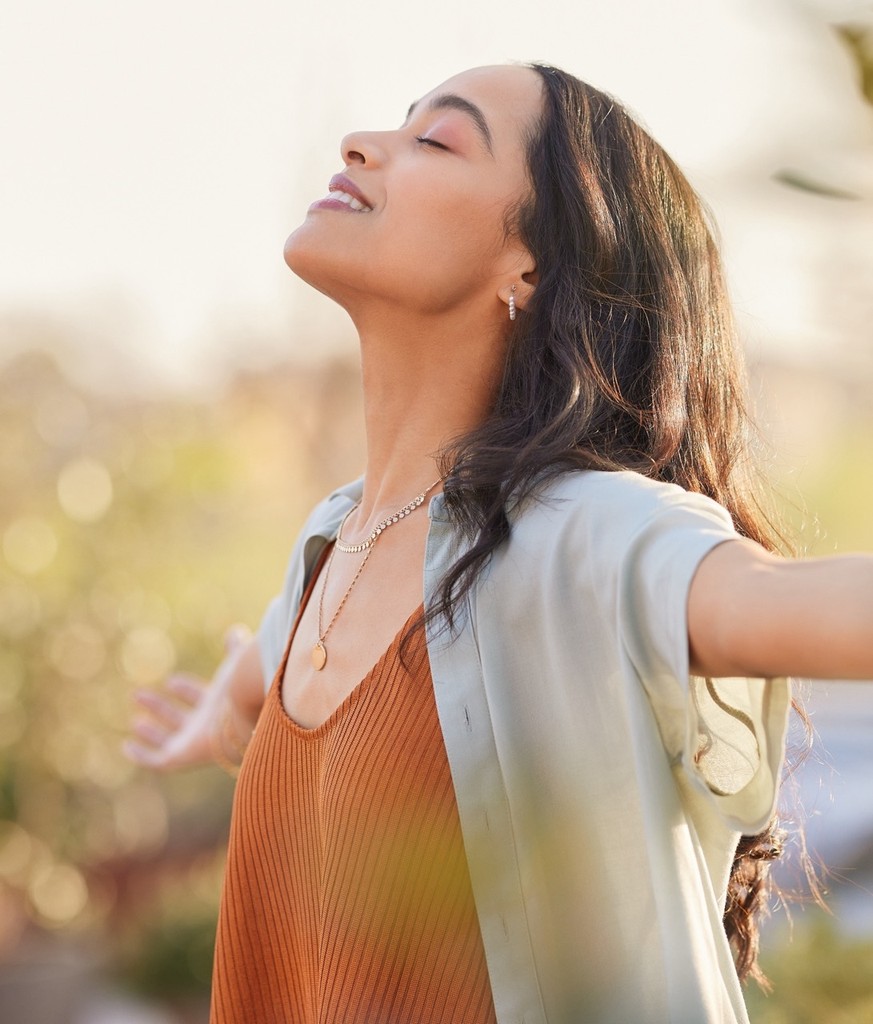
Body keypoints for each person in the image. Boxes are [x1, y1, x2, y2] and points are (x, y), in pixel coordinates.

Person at [124, 63, 873, 1024]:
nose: (360, 143)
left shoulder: (582, 533)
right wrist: (231, 711)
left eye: (437, 140)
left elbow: (781, 602)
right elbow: (279, 668)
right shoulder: (328, 546)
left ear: (531, 265)